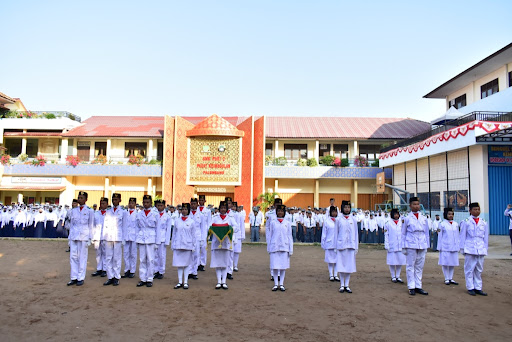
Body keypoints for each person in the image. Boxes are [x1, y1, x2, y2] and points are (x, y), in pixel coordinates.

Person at [460, 202, 489, 296]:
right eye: (474, 209)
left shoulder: (483, 222)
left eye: (478, 209)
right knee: (469, 269)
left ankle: (478, 287)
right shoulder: (466, 221)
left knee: (479, 269)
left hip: (480, 248)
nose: (477, 211)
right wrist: (462, 249)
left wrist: (485, 248)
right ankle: (470, 287)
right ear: (470, 210)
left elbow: (486, 237)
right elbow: (462, 236)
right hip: (470, 247)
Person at [402, 197, 429, 296]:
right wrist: (403, 247)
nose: (416, 206)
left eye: (418, 204)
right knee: (410, 266)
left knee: (419, 266)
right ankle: (411, 286)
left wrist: (427, 245)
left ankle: (418, 286)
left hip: (421, 243)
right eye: (414, 204)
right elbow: (403, 233)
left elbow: (426, 233)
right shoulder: (406, 218)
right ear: (410, 206)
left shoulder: (423, 217)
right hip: (411, 243)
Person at [67, 191, 94, 286]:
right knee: (73, 257)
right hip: (74, 236)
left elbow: (91, 225)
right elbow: (71, 225)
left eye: (82, 198)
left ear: (86, 199)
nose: (79, 199)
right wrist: (69, 239)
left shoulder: (90, 211)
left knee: (82, 257)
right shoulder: (73, 211)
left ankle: (80, 277)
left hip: (84, 236)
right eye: (79, 197)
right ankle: (73, 277)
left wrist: (90, 238)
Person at [209, 201, 238, 289]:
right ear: (219, 208)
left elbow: (236, 227)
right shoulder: (214, 217)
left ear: (226, 209)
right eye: (221, 208)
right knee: (218, 263)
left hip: (226, 243)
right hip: (217, 243)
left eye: (224, 208)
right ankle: (218, 281)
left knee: (225, 263)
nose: (222, 210)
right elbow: (209, 227)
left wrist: (229, 229)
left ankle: (224, 281)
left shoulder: (230, 218)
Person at [102, 193, 128, 286]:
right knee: (108, 257)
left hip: (118, 236)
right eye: (113, 199)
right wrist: (104, 237)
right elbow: (105, 225)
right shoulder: (108, 211)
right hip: (109, 236)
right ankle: (110, 277)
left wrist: (124, 238)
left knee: (116, 258)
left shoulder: (123, 211)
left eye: (116, 199)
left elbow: (125, 226)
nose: (114, 201)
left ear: (120, 200)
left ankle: (116, 277)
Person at [267, 204, 293, 291]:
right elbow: (270, 236)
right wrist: (269, 247)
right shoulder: (273, 222)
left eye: (282, 211)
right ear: (276, 212)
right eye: (278, 211)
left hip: (284, 246)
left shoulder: (287, 223)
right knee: (274, 265)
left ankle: (281, 284)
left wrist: (291, 248)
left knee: (283, 266)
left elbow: (289, 236)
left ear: (284, 212)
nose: (280, 212)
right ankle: (275, 284)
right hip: (274, 246)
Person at [336, 200, 358, 293]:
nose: (347, 209)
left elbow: (356, 234)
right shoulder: (338, 219)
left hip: (351, 245)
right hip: (341, 245)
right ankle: (342, 285)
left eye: (348, 207)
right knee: (341, 265)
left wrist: (356, 246)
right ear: (342, 208)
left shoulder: (353, 219)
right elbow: (335, 234)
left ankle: (347, 285)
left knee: (349, 266)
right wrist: (335, 247)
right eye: (345, 207)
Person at [136, 195, 158, 288]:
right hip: (141, 237)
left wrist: (157, 242)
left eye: (147, 202)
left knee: (150, 259)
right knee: (142, 259)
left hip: (151, 237)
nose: (146, 204)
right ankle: (143, 278)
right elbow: (137, 227)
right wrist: (137, 239)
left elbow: (158, 228)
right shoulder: (139, 213)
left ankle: (149, 278)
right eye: (144, 202)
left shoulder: (155, 213)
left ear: (151, 203)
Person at [172, 203, 196, 289]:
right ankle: (179, 281)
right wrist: (173, 244)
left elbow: (194, 235)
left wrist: (194, 246)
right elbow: (174, 233)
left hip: (187, 245)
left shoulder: (191, 221)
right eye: (183, 209)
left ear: (188, 211)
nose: (184, 211)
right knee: (179, 264)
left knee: (186, 264)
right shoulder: (177, 221)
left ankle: (185, 282)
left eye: (186, 209)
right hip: (178, 244)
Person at [437, 208, 460, 286]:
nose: (450, 215)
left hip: (454, 246)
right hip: (445, 246)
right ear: (445, 215)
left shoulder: (456, 224)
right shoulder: (442, 224)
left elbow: (457, 235)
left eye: (452, 214)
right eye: (449, 214)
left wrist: (458, 245)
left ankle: (451, 278)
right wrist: (439, 247)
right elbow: (440, 236)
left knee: (452, 263)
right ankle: (446, 278)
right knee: (445, 262)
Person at [384, 209, 405, 283]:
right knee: (392, 261)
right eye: (395, 214)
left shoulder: (402, 222)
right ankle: (393, 276)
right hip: (392, 244)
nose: (396, 216)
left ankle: (398, 276)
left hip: (400, 245)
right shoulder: (388, 223)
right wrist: (386, 245)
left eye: (397, 214)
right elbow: (386, 235)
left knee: (400, 261)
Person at [154, 199, 172, 280]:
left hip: (163, 237)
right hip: (154, 237)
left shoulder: (167, 216)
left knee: (162, 255)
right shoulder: (154, 215)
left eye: (161, 205)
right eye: (158, 205)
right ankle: (155, 270)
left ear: (164, 206)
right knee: (155, 255)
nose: (159, 207)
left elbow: (168, 230)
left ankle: (161, 271)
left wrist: (167, 240)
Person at [321, 206, 339, 282]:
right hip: (329, 242)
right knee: (330, 260)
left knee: (337, 260)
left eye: (335, 212)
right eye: (333, 212)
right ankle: (331, 275)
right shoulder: (327, 221)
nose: (334, 213)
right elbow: (324, 233)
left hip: (337, 244)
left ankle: (336, 275)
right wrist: (323, 243)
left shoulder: (339, 221)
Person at [91, 198, 108, 278]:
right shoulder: (96, 213)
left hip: (105, 236)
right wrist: (92, 236)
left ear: (107, 204)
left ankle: (105, 269)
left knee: (105, 253)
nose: (102, 205)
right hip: (97, 235)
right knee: (98, 253)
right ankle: (99, 268)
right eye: (101, 203)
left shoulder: (109, 213)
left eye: (104, 203)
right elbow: (93, 225)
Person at [122, 197, 138, 278]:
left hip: (134, 236)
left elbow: (138, 227)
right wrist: (123, 237)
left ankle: (132, 270)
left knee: (133, 254)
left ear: (135, 204)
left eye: (132, 203)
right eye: (130, 203)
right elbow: (123, 225)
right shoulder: (125, 213)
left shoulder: (137, 214)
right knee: (126, 253)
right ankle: (126, 269)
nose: (131, 204)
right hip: (126, 236)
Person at [197, 195, 211, 272]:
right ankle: (197, 263)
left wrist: (208, 233)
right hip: (197, 231)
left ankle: (202, 264)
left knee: (203, 248)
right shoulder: (196, 210)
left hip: (205, 231)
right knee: (197, 248)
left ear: (205, 201)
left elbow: (209, 222)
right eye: (200, 200)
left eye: (202, 200)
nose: (201, 202)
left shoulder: (208, 211)